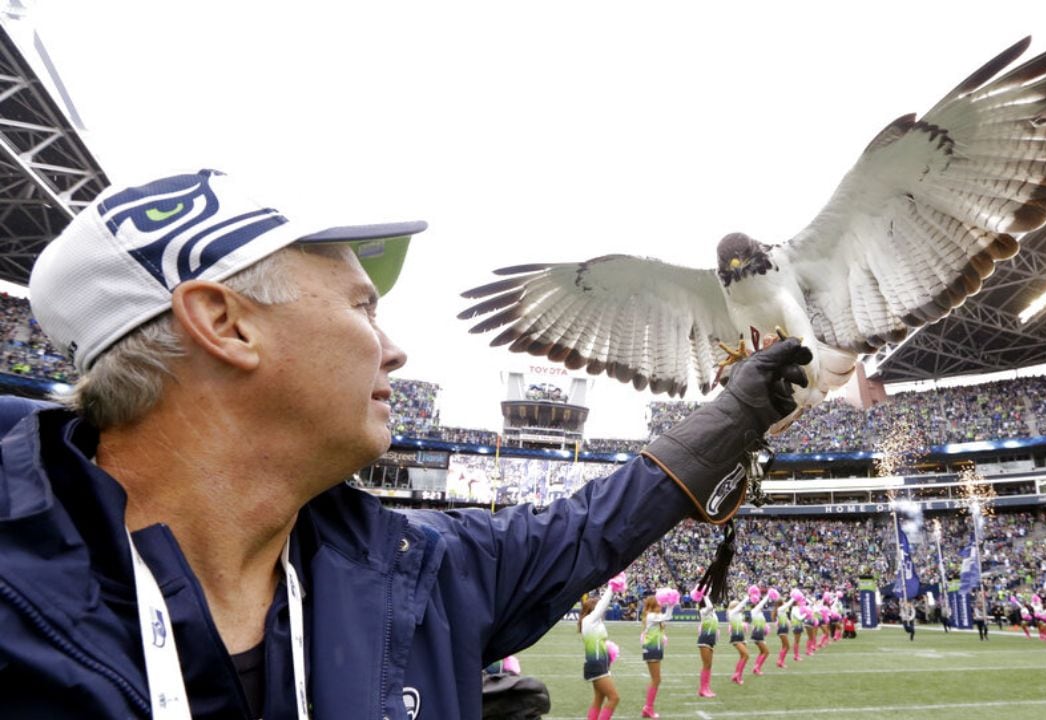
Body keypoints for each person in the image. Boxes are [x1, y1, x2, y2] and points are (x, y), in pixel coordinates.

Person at [0, 169, 815, 719]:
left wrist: (734, 418)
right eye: (362, 308)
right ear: (224, 322)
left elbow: (581, 532)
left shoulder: (413, 568)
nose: (393, 352)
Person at [581, 576, 625, 720]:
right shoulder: (589, 621)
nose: (603, 612)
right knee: (614, 698)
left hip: (600, 663)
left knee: (598, 699)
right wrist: (612, 586)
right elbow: (603, 605)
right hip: (597, 664)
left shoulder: (594, 623)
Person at [639, 589, 677, 718]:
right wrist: (671, 604)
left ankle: (648, 708)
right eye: (659, 603)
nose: (661, 605)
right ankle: (648, 708)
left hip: (655, 648)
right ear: (653, 605)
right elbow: (668, 616)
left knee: (656, 679)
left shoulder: (653, 616)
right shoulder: (651, 616)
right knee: (656, 679)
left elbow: (665, 619)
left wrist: (670, 603)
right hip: (652, 649)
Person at [692, 586, 718, 698]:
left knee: (709, 665)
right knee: (706, 665)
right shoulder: (703, 611)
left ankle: (706, 688)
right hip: (704, 640)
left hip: (711, 640)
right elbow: (710, 606)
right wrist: (704, 594)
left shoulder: (713, 613)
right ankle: (702, 689)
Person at [726, 592, 751, 685]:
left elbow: (741, 623)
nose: (741, 608)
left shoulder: (739, 615)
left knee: (743, 656)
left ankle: (736, 676)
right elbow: (740, 605)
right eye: (738, 606)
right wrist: (746, 598)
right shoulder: (732, 613)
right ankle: (738, 676)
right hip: (735, 637)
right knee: (746, 655)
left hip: (741, 637)